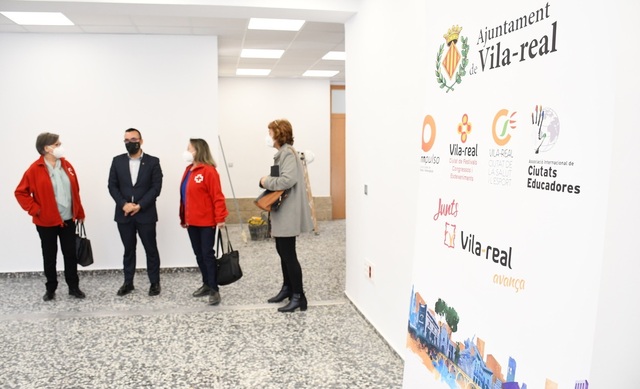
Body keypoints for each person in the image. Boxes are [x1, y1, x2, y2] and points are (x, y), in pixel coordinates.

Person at [15, 132, 86, 301]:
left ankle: (73, 287)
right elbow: (20, 192)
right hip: (46, 221)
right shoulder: (34, 169)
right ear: (46, 148)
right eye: (57, 144)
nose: (60, 147)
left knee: (70, 254)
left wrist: (80, 212)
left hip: (68, 219)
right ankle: (51, 288)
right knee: (49, 255)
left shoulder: (67, 165)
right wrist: (35, 209)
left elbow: (75, 190)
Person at [260, 119, 313, 312]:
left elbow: (287, 180)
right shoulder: (279, 155)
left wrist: (264, 181)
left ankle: (299, 296)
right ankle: (287, 288)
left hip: (288, 212)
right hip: (281, 211)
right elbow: (277, 178)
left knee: (289, 254)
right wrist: (269, 181)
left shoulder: (288, 154)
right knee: (282, 252)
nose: (268, 136)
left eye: (270, 132)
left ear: (279, 134)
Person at [108, 128, 163, 297]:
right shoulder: (117, 161)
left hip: (145, 213)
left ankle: (154, 282)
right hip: (124, 214)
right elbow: (112, 186)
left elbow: (156, 188)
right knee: (128, 249)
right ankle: (128, 282)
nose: (130, 143)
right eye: (126, 140)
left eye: (133, 139)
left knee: (150, 249)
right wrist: (124, 204)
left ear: (141, 140)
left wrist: (139, 205)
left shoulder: (153, 161)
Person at [180, 138, 229, 306]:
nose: (187, 151)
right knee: (199, 254)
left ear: (198, 150)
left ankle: (214, 289)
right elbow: (185, 196)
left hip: (206, 222)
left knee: (208, 255)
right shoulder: (189, 170)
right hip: (191, 222)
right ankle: (206, 283)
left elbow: (217, 196)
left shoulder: (209, 171)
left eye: (190, 149)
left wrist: (220, 218)